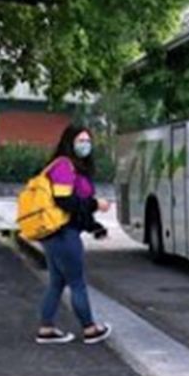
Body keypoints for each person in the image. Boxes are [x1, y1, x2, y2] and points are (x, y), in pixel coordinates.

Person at [35, 124, 113, 345]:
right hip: (62, 234)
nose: (85, 145)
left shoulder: (73, 168)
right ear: (69, 142)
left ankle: (46, 328)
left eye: (88, 141)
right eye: (80, 140)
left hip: (59, 232)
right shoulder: (63, 167)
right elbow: (65, 202)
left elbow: (75, 207)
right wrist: (96, 204)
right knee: (77, 282)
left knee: (57, 283)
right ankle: (90, 328)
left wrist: (93, 225)